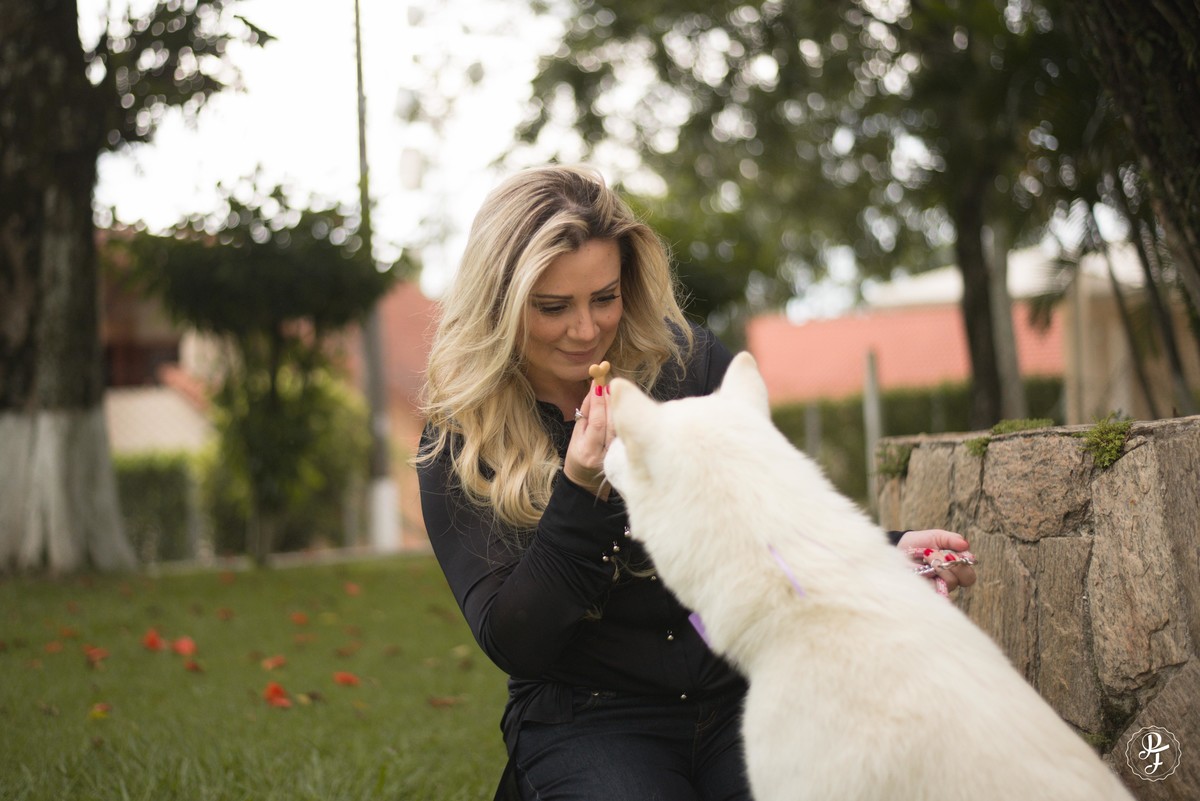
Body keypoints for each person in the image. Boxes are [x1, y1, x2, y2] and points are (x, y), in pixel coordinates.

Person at [416, 164, 976, 801]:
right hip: (591, 717)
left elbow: (769, 514)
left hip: (740, 689)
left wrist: (884, 554)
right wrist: (581, 489)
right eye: (553, 308)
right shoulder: (462, 441)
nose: (587, 329)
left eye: (604, 297)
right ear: (501, 305)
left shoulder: (681, 364)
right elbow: (519, 641)